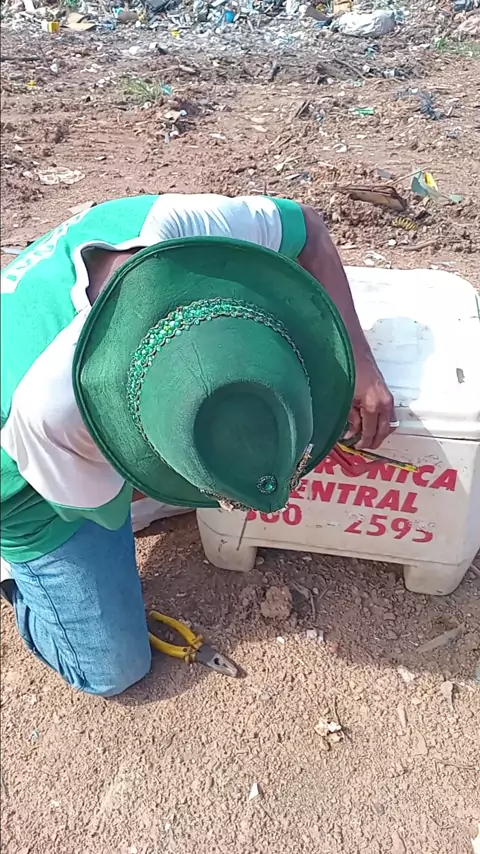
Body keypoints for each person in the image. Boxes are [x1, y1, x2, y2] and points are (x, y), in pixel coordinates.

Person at [1, 193, 395, 696]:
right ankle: (19, 577)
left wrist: (359, 361)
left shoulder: (178, 228)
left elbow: (309, 229)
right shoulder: (49, 412)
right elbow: (108, 503)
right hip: (22, 489)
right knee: (114, 670)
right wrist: (214, 481)